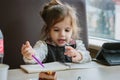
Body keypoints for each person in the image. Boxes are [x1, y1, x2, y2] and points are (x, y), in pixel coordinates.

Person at [21, 0, 91, 64]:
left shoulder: (77, 45)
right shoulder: (43, 46)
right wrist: (31, 55)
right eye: (56, 30)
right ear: (48, 30)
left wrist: (79, 55)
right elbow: (37, 58)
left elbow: (88, 57)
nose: (62, 34)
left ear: (72, 30)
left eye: (67, 30)